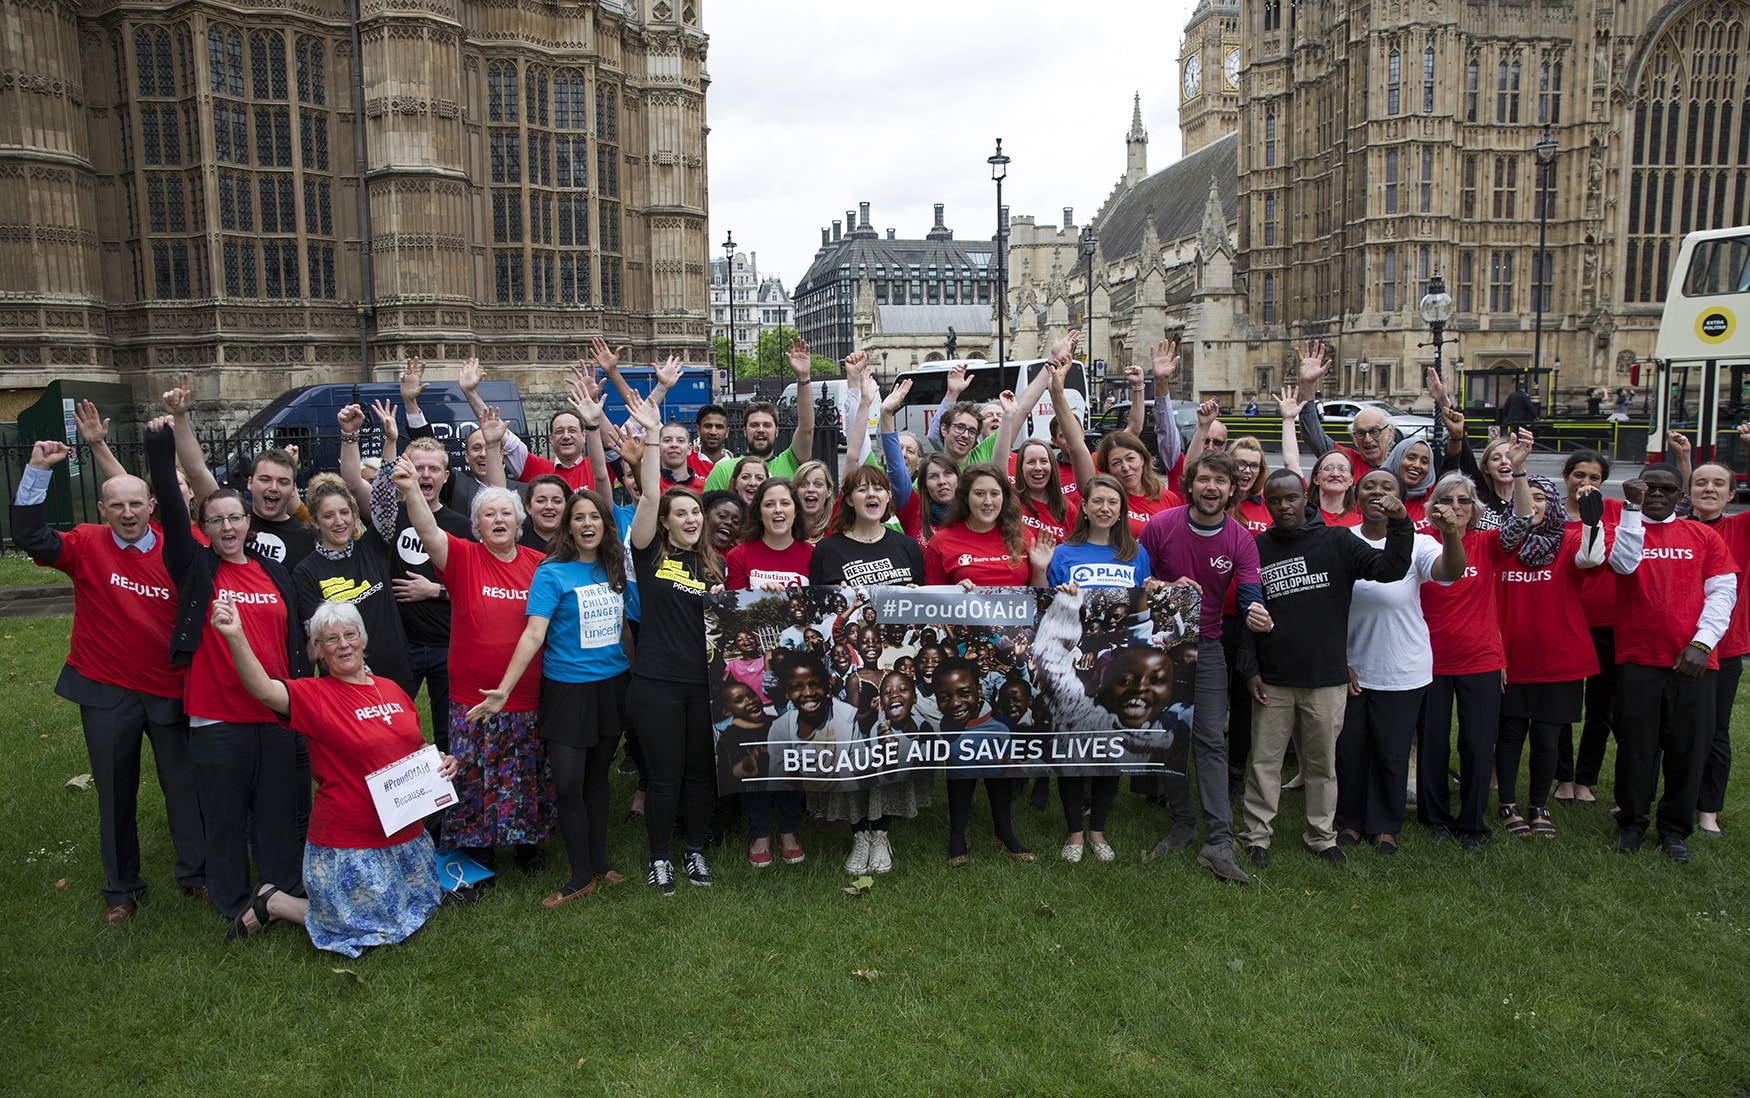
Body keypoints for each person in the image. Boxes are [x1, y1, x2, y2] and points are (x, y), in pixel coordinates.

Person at [10, 439, 207, 925]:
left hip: (168, 687)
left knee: (184, 788)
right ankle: (121, 889)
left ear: (152, 505)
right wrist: (37, 471)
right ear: (102, 509)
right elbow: (32, 537)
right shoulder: (85, 544)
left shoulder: (181, 548)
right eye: (116, 506)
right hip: (106, 688)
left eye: (135, 503)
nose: (127, 513)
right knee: (115, 793)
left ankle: (197, 874)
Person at [211, 599, 455, 955]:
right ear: (319, 651)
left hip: (403, 831)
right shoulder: (314, 696)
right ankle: (276, 903)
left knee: (419, 907)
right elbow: (263, 688)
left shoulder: (391, 689)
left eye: (349, 635)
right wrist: (235, 635)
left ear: (363, 640)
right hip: (349, 840)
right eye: (330, 639)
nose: (343, 645)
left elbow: (414, 746)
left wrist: (440, 762)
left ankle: (319, 906)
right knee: (371, 931)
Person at [145, 417, 310, 923]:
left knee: (277, 810)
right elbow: (171, 512)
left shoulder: (271, 570)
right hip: (218, 715)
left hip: (273, 711)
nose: (228, 527)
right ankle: (234, 899)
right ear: (205, 527)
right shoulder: (196, 569)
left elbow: (290, 636)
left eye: (235, 518)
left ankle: (279, 890)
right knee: (225, 814)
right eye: (216, 520)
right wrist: (159, 444)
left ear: (247, 521)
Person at [467, 486, 637, 906]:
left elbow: (623, 629)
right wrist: (504, 690)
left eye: (594, 517)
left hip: (611, 686)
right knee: (567, 782)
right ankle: (579, 876)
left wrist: (635, 678)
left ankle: (598, 862)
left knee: (597, 776)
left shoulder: (614, 566)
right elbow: (533, 634)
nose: (587, 524)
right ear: (568, 526)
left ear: (605, 524)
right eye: (578, 517)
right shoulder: (551, 572)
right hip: (567, 689)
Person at [1237, 469, 1412, 868]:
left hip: (1325, 678)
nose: (1284, 507)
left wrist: (1401, 524)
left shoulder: (1337, 541)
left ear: (1306, 497)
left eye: (1291, 498)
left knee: (1322, 765)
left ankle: (1321, 835)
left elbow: (1389, 569)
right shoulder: (1256, 547)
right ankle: (1256, 836)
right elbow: (1247, 612)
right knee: (1264, 763)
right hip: (1273, 678)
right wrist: (1250, 670)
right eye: (1275, 500)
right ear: (1267, 504)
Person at [393, 453, 551, 877]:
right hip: (471, 696)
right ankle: (479, 849)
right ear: (476, 524)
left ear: (519, 522)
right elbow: (428, 530)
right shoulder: (462, 557)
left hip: (525, 695)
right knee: (474, 772)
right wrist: (411, 490)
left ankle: (527, 846)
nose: (498, 519)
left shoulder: (539, 565)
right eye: (488, 514)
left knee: (524, 771)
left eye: (506, 513)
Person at [1138, 452, 1263, 883]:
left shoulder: (1240, 539)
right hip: (1162, 646)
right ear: (1190, 485)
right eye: (1205, 479)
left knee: (1210, 738)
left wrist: (1257, 612)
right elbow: (1136, 580)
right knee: (1172, 736)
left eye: (1221, 482)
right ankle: (1182, 823)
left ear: (1232, 490)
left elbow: (1250, 592)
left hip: (1208, 646)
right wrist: (1165, 586)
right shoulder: (1161, 526)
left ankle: (1220, 841)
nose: (1212, 488)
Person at [922, 465, 1050, 865]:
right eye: (979, 493)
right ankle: (957, 833)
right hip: (965, 662)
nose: (988, 501)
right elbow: (931, 606)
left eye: (995, 493)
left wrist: (1040, 568)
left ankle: (1004, 830)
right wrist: (953, 594)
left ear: (1005, 498)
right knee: (963, 745)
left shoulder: (1020, 538)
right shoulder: (942, 542)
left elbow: (1037, 604)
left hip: (1012, 662)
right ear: (966, 497)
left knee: (1002, 746)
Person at [1604, 465, 1732, 863]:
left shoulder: (1702, 535)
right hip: (1638, 657)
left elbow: (1722, 591)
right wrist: (1631, 508)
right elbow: (1623, 565)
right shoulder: (1623, 528)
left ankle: (1675, 829)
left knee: (1688, 750)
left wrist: (1702, 643)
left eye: (1667, 489)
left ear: (1681, 495)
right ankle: (1631, 822)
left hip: (1692, 662)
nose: (1657, 494)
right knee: (1636, 748)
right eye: (1649, 488)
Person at [1335, 469, 1465, 855]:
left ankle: (1384, 826)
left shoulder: (1419, 543)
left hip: (1401, 667)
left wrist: (1451, 535)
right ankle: (1350, 820)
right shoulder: (1341, 541)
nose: (1377, 492)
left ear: (1402, 499)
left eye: (1387, 487)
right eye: (1369, 486)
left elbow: (1450, 571)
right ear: (1356, 497)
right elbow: (1326, 608)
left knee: (1391, 753)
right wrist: (1338, 662)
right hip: (1350, 668)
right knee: (1349, 750)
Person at [808, 463, 929, 874]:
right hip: (850, 672)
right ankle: (860, 835)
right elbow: (819, 613)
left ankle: (882, 834)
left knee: (889, 750)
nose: (871, 495)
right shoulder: (827, 550)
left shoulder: (907, 547)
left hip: (895, 671)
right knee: (854, 746)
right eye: (861, 489)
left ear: (888, 497)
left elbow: (921, 613)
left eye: (878, 488)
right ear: (848, 499)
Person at [626, 389, 723, 893]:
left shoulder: (714, 565)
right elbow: (648, 494)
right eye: (680, 513)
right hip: (656, 683)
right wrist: (649, 434)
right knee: (665, 776)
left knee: (700, 775)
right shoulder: (648, 553)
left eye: (695, 513)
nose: (690, 519)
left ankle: (695, 852)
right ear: (666, 521)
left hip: (703, 685)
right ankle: (659, 858)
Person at [341, 396, 475, 753]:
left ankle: (448, 788)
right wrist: (376, 439)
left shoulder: (461, 526)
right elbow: (353, 482)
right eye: (419, 468)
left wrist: (435, 590)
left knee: (450, 733)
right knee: (390, 728)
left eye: (433, 469)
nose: (425, 475)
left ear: (445, 476)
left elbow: (476, 587)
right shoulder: (390, 518)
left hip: (448, 643)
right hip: (400, 644)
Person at [1416, 454, 1536, 850]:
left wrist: (1519, 471)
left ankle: (1472, 822)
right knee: (1433, 741)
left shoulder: (1487, 543)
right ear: (1433, 507)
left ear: (1475, 508)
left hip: (1480, 659)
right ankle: (1435, 816)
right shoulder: (1420, 545)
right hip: (1429, 661)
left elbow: (1522, 520)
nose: (1456, 507)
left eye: (1464, 500)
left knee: (1477, 744)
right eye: (1447, 500)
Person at [1494, 476, 1606, 840]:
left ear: (1552, 503)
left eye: (1540, 497)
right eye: (1526, 497)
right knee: (1510, 734)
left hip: (1560, 658)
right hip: (1510, 659)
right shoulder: (1499, 543)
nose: (1533, 504)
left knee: (1547, 737)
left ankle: (1538, 806)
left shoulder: (1569, 540)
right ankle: (1508, 804)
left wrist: (1592, 521)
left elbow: (1591, 558)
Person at [724, 478, 810, 868]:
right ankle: (760, 831)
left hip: (797, 681)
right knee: (755, 752)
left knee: (791, 752)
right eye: (769, 504)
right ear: (758, 511)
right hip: (753, 685)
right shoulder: (739, 556)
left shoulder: (812, 555)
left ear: (796, 509)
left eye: (785, 503)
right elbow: (735, 611)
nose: (778, 510)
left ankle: (789, 829)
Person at [161, 377, 317, 570]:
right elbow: (196, 471)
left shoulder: (307, 540)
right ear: (250, 482)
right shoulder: (230, 520)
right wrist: (179, 417)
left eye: (283, 482)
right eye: (265, 479)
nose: (273, 487)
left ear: (293, 489)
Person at [291, 468, 414, 698]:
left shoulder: (373, 547)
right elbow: (319, 638)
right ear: (315, 522)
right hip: (348, 685)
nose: (339, 522)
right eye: (328, 516)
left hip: (397, 675)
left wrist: (389, 450)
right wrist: (364, 679)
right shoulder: (305, 572)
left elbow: (385, 501)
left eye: (344, 512)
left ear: (354, 513)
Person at [1683, 440, 1750, 839]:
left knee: (1715, 731)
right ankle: (1646, 799)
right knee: (1667, 727)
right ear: (1689, 491)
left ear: (1731, 494)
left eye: (1718, 484)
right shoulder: (1677, 528)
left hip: (1724, 649)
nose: (1708, 489)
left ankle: (1708, 810)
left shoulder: (1739, 528)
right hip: (1675, 647)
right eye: (1701, 483)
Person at [1556, 450, 1621, 804]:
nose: (1585, 483)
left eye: (1594, 478)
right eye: (1579, 475)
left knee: (1601, 707)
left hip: (1605, 623)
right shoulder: (1552, 513)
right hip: (1564, 622)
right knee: (1562, 705)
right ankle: (1563, 777)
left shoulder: (1614, 511)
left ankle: (1585, 778)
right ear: (1566, 477)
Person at [703, 337, 818, 491]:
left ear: (777, 431)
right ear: (744, 431)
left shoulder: (790, 462)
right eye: (754, 425)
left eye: (767, 425)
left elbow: (806, 428)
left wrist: (803, 378)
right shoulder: (722, 470)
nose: (761, 429)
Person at [1291, 341, 1397, 477]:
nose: (1368, 439)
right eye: (1360, 433)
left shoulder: (1401, 468)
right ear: (1354, 438)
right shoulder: (1345, 462)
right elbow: (1313, 435)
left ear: (1390, 432)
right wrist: (1307, 384)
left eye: (1375, 431)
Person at [519, 474, 572, 551]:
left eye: (557, 501)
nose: (549, 507)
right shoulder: (516, 543)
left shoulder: (579, 543)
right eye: (541, 501)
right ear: (528, 507)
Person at [1309, 449, 1361, 527]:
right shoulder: (1304, 518)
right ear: (1316, 479)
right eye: (1328, 468)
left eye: (1342, 469)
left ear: (1351, 481)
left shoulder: (1362, 524)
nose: (1335, 474)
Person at [692, 403, 732, 470]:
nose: (713, 432)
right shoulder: (686, 460)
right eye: (708, 426)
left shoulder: (736, 465)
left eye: (719, 427)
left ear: (727, 432)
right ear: (698, 430)